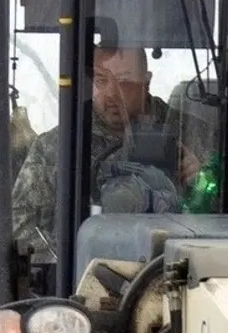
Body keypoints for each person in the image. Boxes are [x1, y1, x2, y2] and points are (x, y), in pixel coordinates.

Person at [11, 45, 172, 265]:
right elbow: (20, 234)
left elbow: (226, 224)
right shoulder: (56, 148)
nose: (112, 94)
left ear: (146, 82)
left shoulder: (184, 132)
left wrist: (199, 182)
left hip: (175, 279)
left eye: (123, 82)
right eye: (101, 81)